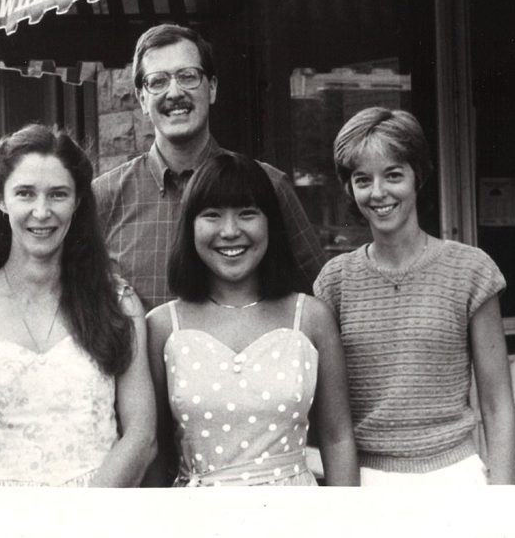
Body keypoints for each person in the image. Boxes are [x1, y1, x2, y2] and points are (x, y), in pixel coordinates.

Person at [0, 124, 156, 486]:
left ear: (78, 201)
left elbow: (142, 437)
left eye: (58, 194)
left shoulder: (118, 304)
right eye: (25, 194)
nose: (41, 211)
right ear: (1, 200)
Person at [314, 107, 515, 485]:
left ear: (417, 177)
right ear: (349, 188)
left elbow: (497, 403)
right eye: (363, 180)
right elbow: (327, 415)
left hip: (454, 479)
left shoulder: (471, 270)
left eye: (393, 175)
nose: (378, 193)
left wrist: (502, 504)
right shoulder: (334, 281)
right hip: (364, 481)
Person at [145, 152, 358, 487]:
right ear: (190, 226)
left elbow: (337, 438)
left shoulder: (311, 318)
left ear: (270, 222)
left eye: (247, 214)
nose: (230, 231)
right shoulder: (161, 327)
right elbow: (152, 448)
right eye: (212, 215)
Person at [93, 24, 326, 310]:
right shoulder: (104, 197)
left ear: (212, 88)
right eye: (158, 82)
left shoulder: (269, 186)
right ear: (142, 98)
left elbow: (318, 296)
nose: (174, 92)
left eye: (188, 76)